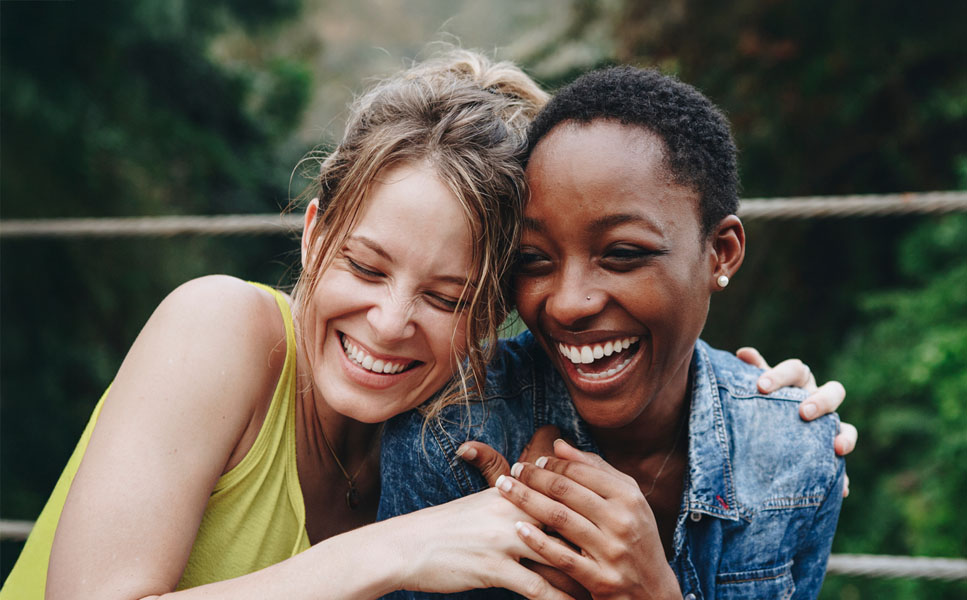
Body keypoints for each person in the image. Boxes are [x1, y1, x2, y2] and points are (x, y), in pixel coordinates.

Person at [2, 51, 846, 600]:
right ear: (313, 231)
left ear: (492, 313)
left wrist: (748, 407)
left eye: (447, 298)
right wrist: (389, 553)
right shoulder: (221, 327)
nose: (390, 321)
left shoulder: (441, 433)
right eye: (365, 267)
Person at [379, 66, 847, 600]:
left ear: (721, 253)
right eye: (534, 260)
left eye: (622, 254)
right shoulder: (450, 434)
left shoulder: (796, 457)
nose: (569, 303)